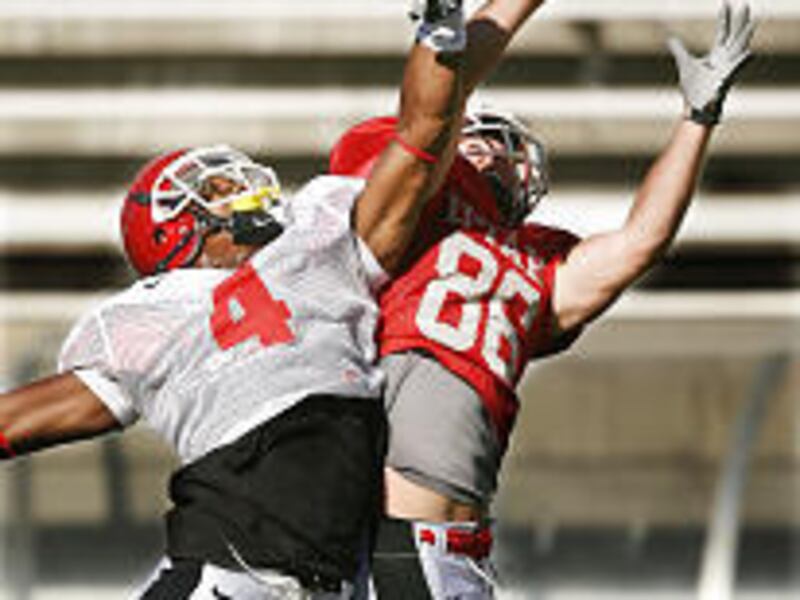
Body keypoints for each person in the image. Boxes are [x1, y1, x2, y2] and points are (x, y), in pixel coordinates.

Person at [0, 1, 528, 597]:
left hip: (314, 580)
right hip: (224, 570)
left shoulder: (324, 241)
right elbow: (15, 421)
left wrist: (442, 29)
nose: (248, 187)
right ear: (176, 230)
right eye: (219, 188)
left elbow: (423, 132)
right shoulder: (141, 316)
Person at [329, 1, 756, 597]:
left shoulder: (535, 258)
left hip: (461, 540)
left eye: (500, 148)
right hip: (394, 531)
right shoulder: (403, 216)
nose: (493, 154)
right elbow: (427, 117)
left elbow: (639, 244)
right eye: (478, 142)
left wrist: (698, 117)